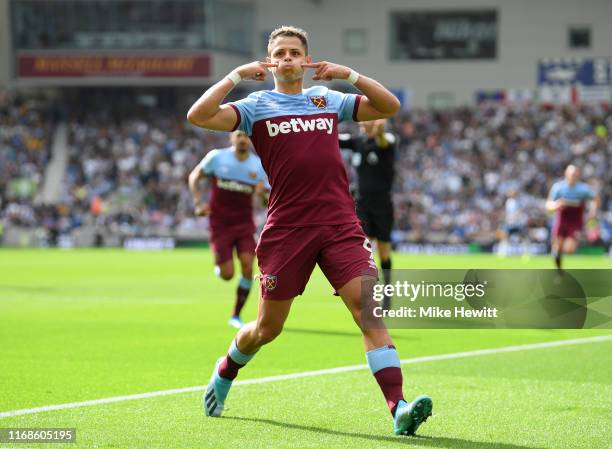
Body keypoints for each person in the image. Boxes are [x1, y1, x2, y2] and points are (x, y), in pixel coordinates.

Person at [187, 25, 432, 436]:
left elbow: (387, 106)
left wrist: (348, 74)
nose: (286, 58)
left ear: (306, 60)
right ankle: (225, 370)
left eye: (293, 52)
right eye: (278, 53)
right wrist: (234, 76)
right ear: (269, 62)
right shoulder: (254, 105)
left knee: (368, 314)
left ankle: (399, 409)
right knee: (268, 329)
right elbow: (198, 115)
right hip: (287, 230)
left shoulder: (327, 99)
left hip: (340, 225)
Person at [188, 130, 269, 328]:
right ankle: (219, 266)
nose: (242, 139)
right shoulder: (217, 157)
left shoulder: (258, 166)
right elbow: (195, 176)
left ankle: (236, 315)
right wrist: (198, 203)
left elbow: (267, 199)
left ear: (251, 139)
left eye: (246, 136)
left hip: (244, 224)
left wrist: (261, 195)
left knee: (249, 267)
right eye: (239, 135)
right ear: (231, 138)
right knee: (227, 275)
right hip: (220, 224)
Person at [340, 119, 396, 309]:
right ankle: (367, 293)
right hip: (362, 204)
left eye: (367, 120)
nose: (362, 123)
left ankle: (387, 295)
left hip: (382, 205)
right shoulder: (359, 142)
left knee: (384, 251)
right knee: (364, 249)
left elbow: (384, 142)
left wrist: (379, 132)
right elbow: (336, 139)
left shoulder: (387, 139)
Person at [545, 164, 598, 270]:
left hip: (575, 221)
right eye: (571, 174)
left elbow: (595, 199)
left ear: (578, 175)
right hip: (562, 219)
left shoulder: (583, 189)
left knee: (569, 250)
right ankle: (558, 271)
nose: (573, 176)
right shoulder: (558, 187)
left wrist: (592, 212)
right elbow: (548, 204)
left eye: (575, 174)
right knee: (557, 247)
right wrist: (556, 205)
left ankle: (559, 250)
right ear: (566, 174)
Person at [497, 189, 529, 258]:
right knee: (504, 237)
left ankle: (526, 253)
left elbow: (520, 211)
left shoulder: (519, 202)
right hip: (510, 223)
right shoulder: (509, 202)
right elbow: (509, 213)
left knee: (523, 238)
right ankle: (502, 253)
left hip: (518, 223)